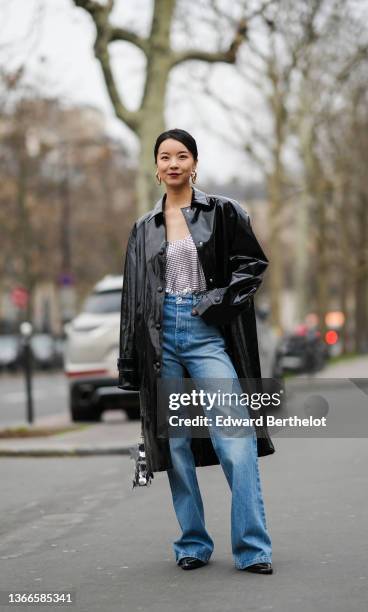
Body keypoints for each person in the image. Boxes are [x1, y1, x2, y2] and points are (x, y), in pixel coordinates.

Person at [118, 128, 274, 575]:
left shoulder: (223, 212)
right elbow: (133, 300)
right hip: (158, 336)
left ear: (195, 164)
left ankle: (252, 548)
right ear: (155, 167)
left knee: (235, 439)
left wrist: (216, 302)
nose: (173, 163)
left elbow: (252, 265)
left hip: (207, 333)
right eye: (164, 156)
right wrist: (130, 364)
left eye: (181, 156)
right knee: (177, 446)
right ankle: (192, 542)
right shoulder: (142, 230)